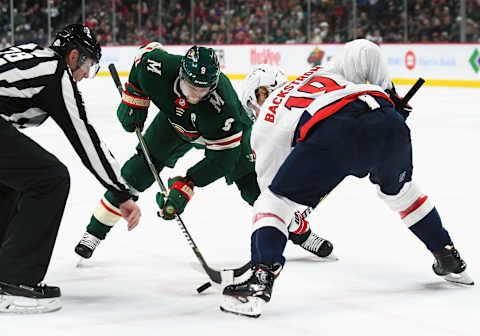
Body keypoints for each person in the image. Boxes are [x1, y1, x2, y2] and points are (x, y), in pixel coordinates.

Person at [220, 39, 473, 318]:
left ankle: (261, 279)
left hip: (336, 131)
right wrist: (390, 94)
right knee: (401, 193)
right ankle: (447, 255)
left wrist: (287, 224)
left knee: (271, 202)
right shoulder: (318, 72)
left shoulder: (266, 119)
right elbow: (365, 50)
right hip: (389, 122)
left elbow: (275, 202)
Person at [74, 43, 333, 262]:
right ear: (181, 74)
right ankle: (93, 233)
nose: (195, 95)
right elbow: (143, 57)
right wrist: (134, 102)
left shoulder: (225, 108)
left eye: (203, 90)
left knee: (255, 192)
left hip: (221, 138)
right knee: (135, 172)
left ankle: (302, 233)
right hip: (173, 126)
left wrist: (186, 185)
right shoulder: (159, 66)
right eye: (190, 87)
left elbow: (221, 161)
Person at [0, 24, 141, 313]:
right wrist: (120, 189)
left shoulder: (31, 52)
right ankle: (13, 280)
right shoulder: (56, 72)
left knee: (15, 180)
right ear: (74, 56)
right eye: (88, 65)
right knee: (50, 179)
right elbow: (86, 140)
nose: (87, 75)